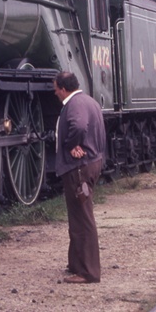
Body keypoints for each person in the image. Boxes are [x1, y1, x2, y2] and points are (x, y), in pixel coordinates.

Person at [53, 71, 105, 284]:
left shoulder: (74, 105)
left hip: (79, 167)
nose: (54, 92)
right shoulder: (89, 101)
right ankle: (76, 263)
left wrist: (71, 144)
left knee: (82, 218)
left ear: (63, 88)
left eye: (55, 88)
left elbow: (79, 126)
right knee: (77, 216)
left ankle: (89, 272)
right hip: (90, 163)